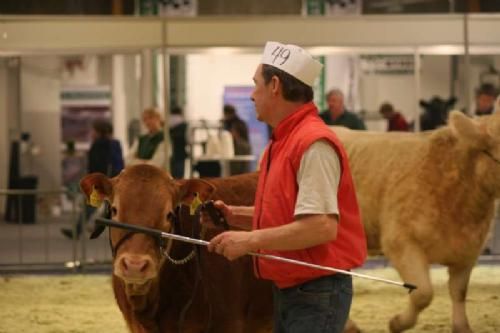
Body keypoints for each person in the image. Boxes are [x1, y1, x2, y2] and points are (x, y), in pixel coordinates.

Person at [202, 41, 367, 333]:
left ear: (275, 85)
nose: (252, 95)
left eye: (256, 85)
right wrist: (235, 215)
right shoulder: (284, 141)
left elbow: (321, 227)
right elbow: (287, 213)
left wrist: (250, 241)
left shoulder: (313, 143)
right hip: (293, 288)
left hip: (317, 291)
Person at [61, 119, 124, 239]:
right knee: (107, 208)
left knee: (91, 207)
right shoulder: (115, 143)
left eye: (94, 130)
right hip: (113, 179)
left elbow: (96, 164)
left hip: (100, 181)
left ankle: (78, 231)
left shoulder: (98, 144)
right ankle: (83, 230)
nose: (92, 133)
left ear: (99, 131)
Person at [223, 104, 252, 175]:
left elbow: (235, 136)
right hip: (242, 149)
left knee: (238, 172)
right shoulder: (240, 122)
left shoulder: (234, 124)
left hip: (240, 150)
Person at [169, 106, 188, 178]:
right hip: (180, 153)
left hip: (169, 154)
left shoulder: (167, 123)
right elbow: (188, 140)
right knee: (179, 177)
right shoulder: (184, 124)